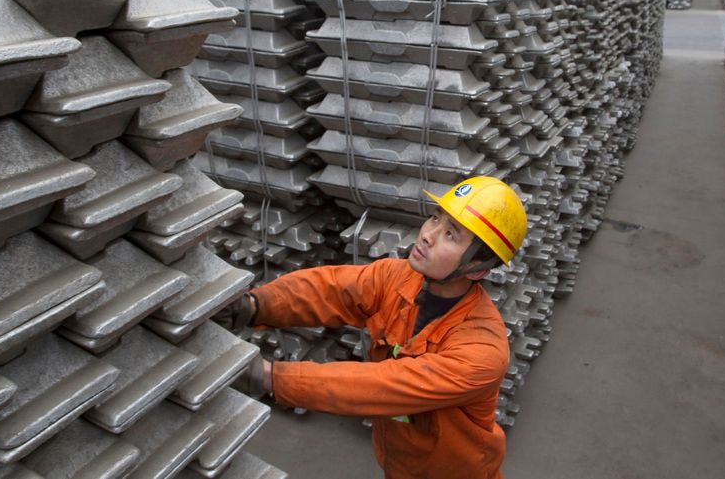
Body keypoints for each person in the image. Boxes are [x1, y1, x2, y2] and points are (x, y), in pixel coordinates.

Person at [216, 175, 527, 479]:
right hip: (399, 459)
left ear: (476, 270)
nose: (428, 235)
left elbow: (383, 384)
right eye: (435, 218)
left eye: (451, 234)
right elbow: (332, 290)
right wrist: (255, 306)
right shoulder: (397, 277)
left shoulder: (482, 350)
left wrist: (269, 377)